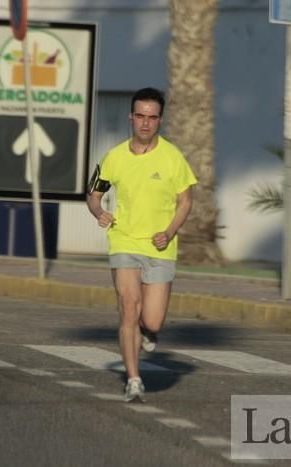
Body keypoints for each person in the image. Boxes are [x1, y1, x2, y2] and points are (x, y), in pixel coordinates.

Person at [86, 87, 197, 402]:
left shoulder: (173, 157)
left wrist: (170, 231)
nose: (145, 123)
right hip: (123, 241)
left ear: (160, 120)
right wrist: (100, 212)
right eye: (140, 116)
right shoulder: (114, 157)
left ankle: (149, 333)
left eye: (152, 117)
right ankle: (133, 379)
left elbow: (186, 201)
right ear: (131, 117)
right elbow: (93, 195)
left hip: (160, 247)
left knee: (152, 320)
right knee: (128, 310)